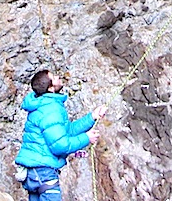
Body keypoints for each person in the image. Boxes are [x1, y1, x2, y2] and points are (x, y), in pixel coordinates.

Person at [15, 69, 107, 201]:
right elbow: (60, 145)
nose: (58, 77)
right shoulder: (50, 110)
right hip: (43, 171)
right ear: (51, 88)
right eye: (54, 77)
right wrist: (86, 138)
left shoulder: (45, 105)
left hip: (35, 172)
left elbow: (66, 131)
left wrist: (93, 116)